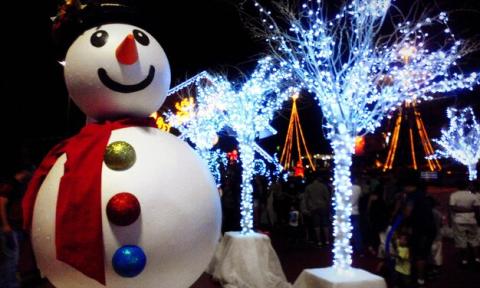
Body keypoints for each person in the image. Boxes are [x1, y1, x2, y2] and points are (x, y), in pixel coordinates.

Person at [0, 165, 34, 288]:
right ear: (24, 172)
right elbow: (1, 203)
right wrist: (5, 225)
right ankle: (10, 285)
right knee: (11, 259)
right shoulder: (10, 184)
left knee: (12, 258)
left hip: (15, 227)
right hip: (10, 228)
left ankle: (9, 283)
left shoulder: (19, 185)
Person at [449, 179, 480, 267]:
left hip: (459, 219)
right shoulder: (472, 196)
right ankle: (477, 258)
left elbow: (452, 207)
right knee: (474, 240)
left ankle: (464, 260)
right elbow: (477, 209)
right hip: (472, 219)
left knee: (461, 241)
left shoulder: (454, 195)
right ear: (467, 186)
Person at [304, 173, 331, 247]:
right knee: (325, 224)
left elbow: (306, 199)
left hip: (313, 207)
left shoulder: (308, 187)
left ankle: (319, 241)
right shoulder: (323, 186)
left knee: (317, 225)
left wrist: (306, 208)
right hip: (323, 206)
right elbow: (327, 197)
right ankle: (327, 240)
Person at [351, 176, 364, 255]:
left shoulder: (344, 187)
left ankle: (349, 248)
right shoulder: (358, 188)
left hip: (346, 212)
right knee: (356, 231)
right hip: (355, 212)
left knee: (346, 231)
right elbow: (361, 196)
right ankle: (359, 249)